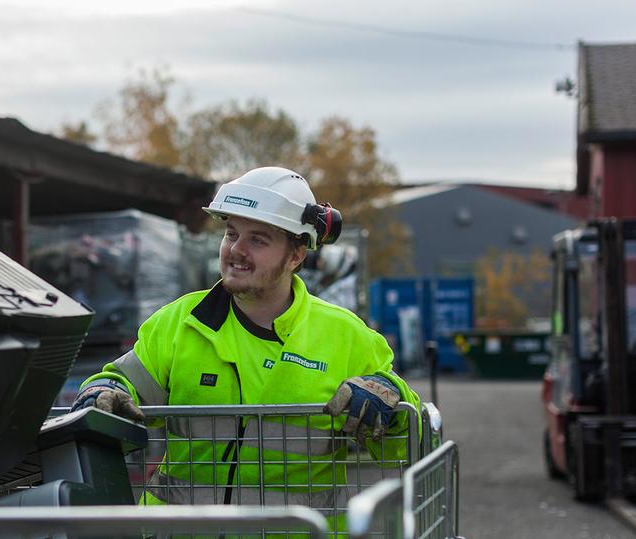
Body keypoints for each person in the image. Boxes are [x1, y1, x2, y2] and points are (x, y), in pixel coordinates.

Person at [71, 166, 420, 508]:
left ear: (296, 255)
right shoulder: (179, 324)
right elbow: (121, 384)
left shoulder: (346, 336)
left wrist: (390, 397)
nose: (236, 250)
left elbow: (406, 434)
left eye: (258, 239)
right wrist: (103, 390)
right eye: (232, 234)